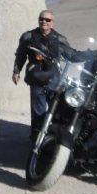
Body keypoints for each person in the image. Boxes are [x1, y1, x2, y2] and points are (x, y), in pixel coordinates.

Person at [12, 10, 71, 140]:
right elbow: (20, 55)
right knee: (38, 112)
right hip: (36, 79)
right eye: (41, 19)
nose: (44, 21)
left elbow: (70, 56)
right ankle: (36, 139)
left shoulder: (60, 39)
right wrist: (16, 71)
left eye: (48, 20)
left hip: (54, 81)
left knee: (55, 112)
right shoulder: (28, 37)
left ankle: (53, 139)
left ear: (52, 23)